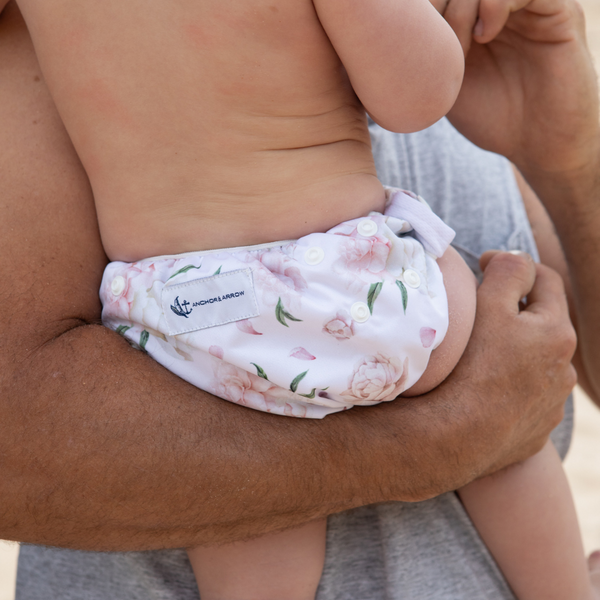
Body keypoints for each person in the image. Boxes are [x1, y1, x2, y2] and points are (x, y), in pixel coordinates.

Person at [0, 0, 598, 599]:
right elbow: (419, 98)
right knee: (508, 435)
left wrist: (571, 158)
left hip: (185, 313)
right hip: (354, 279)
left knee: (246, 531)